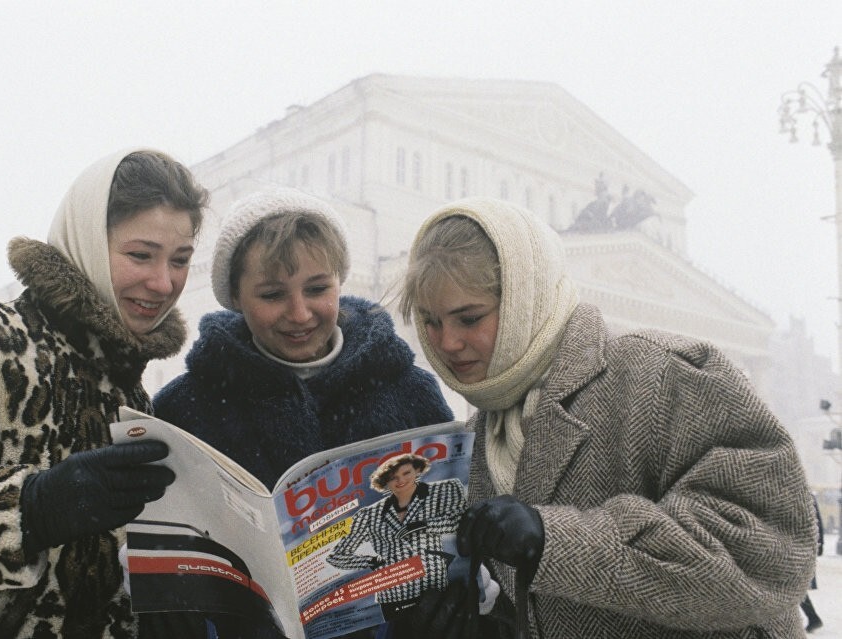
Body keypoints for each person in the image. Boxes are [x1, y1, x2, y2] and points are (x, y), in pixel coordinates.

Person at [396, 196, 817, 638]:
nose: (447, 343)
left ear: (526, 297)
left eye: (468, 317)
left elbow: (768, 555)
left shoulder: (661, 373)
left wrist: (551, 541)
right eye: (430, 321)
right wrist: (483, 619)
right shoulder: (487, 432)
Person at [0, 148, 209, 637]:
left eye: (180, 260)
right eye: (140, 254)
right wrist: (31, 509)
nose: (163, 282)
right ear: (88, 242)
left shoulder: (132, 398)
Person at [152, 187, 454, 637]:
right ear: (236, 295)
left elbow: (450, 527)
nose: (300, 313)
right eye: (273, 294)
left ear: (339, 282)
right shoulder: (185, 408)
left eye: (317, 289)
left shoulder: (408, 390)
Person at [326, 454, 467, 620]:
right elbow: (336, 556)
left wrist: (422, 525)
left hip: (433, 586)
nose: (400, 480)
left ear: (417, 470)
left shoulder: (443, 490)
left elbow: (461, 522)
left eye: (406, 473)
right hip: (393, 596)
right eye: (393, 478)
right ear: (385, 482)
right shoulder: (369, 515)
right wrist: (371, 561)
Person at [800, 493, 824, 633]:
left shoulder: (803, 495)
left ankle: (813, 618)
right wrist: (821, 545)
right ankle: (813, 618)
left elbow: (816, 521)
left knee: (793, 585)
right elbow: (818, 521)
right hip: (806, 546)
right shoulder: (808, 495)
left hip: (801, 546)